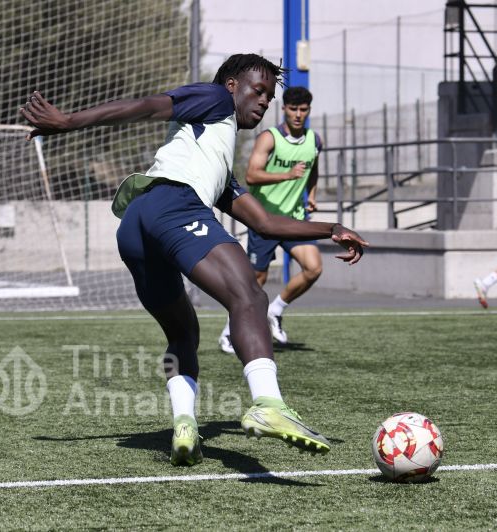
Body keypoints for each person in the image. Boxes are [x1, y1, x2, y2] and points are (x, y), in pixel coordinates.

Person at [20, 53, 368, 466]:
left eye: (269, 97)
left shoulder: (214, 158)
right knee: (250, 297)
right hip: (173, 205)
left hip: (136, 225)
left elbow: (265, 222)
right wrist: (68, 121)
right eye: (258, 90)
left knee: (184, 333)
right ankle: (269, 404)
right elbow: (146, 106)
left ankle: (184, 426)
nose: (264, 101)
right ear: (232, 86)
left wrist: (330, 228)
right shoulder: (215, 98)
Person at [218, 86, 323, 353]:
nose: (298, 114)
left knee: (313, 268)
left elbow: (312, 170)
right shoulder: (270, 138)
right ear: (284, 109)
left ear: (309, 111)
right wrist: (287, 175)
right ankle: (229, 332)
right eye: (293, 109)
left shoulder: (314, 141)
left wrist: (311, 195)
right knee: (256, 281)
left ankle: (275, 310)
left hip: (294, 218)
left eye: (303, 110)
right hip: (263, 220)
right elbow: (252, 175)